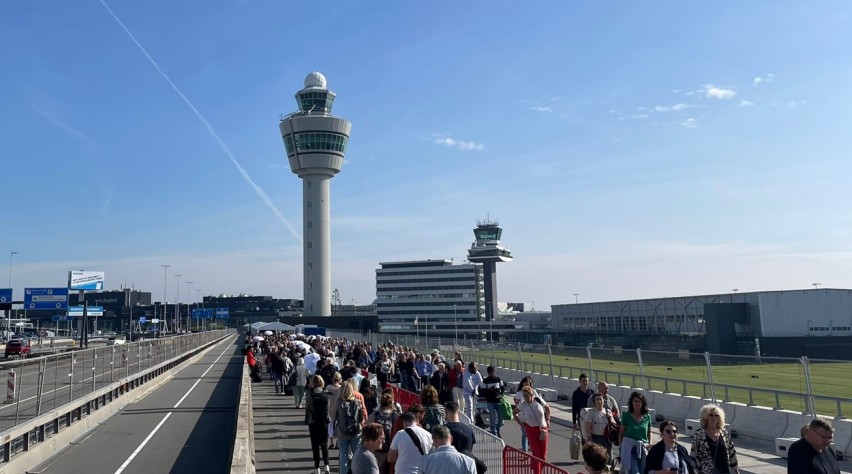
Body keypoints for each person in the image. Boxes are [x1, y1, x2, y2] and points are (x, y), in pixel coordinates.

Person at [690, 405, 739, 474]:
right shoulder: (699, 434)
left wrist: (735, 470)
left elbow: (732, 453)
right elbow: (694, 455)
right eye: (711, 415)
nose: (714, 418)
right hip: (706, 471)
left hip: (724, 471)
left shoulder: (724, 433)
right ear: (706, 417)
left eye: (717, 415)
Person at [515, 385, 549, 474]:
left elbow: (548, 408)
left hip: (542, 429)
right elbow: (514, 412)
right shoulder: (523, 404)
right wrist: (521, 424)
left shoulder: (538, 400)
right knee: (536, 454)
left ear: (531, 394)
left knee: (543, 455)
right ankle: (536, 472)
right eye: (524, 395)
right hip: (531, 430)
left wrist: (548, 420)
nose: (525, 397)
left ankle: (538, 469)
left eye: (527, 395)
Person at [513, 376, 550, 453]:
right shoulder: (520, 394)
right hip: (526, 420)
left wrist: (548, 420)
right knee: (525, 435)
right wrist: (520, 421)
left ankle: (531, 448)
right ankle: (525, 450)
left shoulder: (535, 393)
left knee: (542, 452)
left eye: (528, 384)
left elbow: (546, 406)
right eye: (525, 384)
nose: (527, 385)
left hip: (541, 426)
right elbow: (515, 402)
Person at [336, 379, 366, 474]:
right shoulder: (357, 402)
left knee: (343, 456)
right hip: (355, 431)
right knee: (356, 455)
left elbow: (333, 416)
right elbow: (361, 418)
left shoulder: (339, 402)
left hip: (342, 431)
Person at [619, 391, 652, 474]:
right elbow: (621, 433)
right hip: (629, 447)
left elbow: (649, 432)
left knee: (643, 470)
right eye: (635, 401)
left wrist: (650, 443)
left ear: (642, 403)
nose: (637, 404)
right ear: (631, 402)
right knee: (633, 471)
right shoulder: (626, 416)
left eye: (639, 401)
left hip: (642, 446)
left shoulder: (647, 417)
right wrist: (621, 446)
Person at [305, 375, 331, 474]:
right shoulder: (325, 395)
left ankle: (317, 468)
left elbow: (308, 406)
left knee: (315, 445)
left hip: (313, 421)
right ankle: (327, 465)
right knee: (324, 444)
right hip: (323, 421)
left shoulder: (309, 394)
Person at [367, 392, 398, 470]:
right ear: (392, 403)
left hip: (376, 450)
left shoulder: (374, 415)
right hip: (392, 449)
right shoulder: (396, 416)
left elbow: (367, 432)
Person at [585, 393, 616, 458]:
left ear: (603, 401)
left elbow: (614, 425)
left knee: (608, 458)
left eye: (600, 399)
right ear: (594, 402)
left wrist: (610, 417)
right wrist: (589, 438)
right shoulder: (591, 412)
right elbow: (587, 427)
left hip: (607, 439)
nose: (599, 401)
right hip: (596, 438)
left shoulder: (608, 411)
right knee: (598, 458)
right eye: (597, 400)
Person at [480, 365, 506, 438]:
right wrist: (489, 390)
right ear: (488, 373)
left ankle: (498, 428)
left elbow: (503, 388)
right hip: (490, 401)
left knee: (500, 417)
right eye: (490, 373)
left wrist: (500, 393)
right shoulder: (485, 381)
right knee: (492, 416)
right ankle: (494, 432)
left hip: (498, 400)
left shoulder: (498, 379)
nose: (491, 374)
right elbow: (482, 391)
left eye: (492, 372)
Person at [324, 372, 343, 449]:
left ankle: (331, 442)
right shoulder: (341, 388)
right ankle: (337, 443)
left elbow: (325, 396)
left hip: (330, 408)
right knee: (338, 426)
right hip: (338, 408)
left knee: (330, 425)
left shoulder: (328, 387)